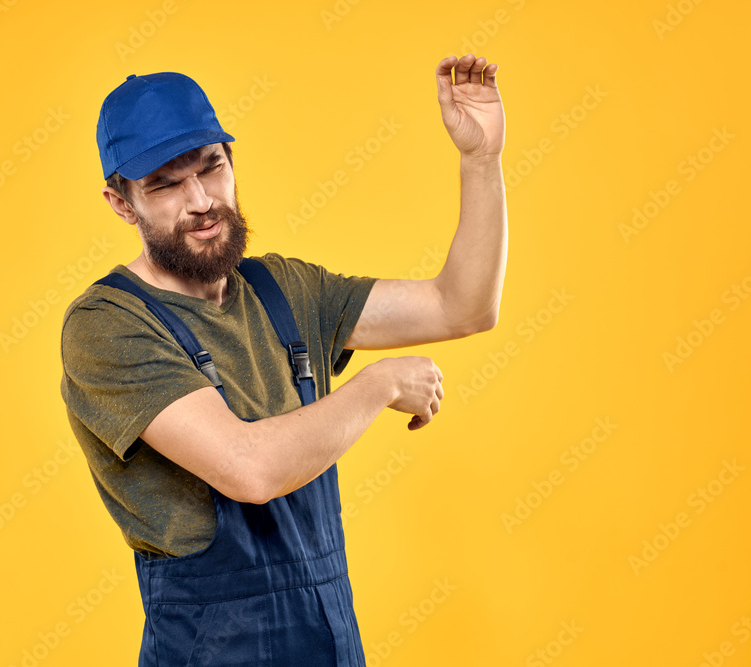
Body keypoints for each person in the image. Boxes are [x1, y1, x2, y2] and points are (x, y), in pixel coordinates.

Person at [60, 53, 506, 666]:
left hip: (330, 644)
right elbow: (250, 470)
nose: (200, 200)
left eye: (210, 168)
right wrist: (376, 384)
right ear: (121, 202)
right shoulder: (109, 327)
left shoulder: (285, 291)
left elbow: (462, 306)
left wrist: (480, 161)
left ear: (230, 162)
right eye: (165, 183)